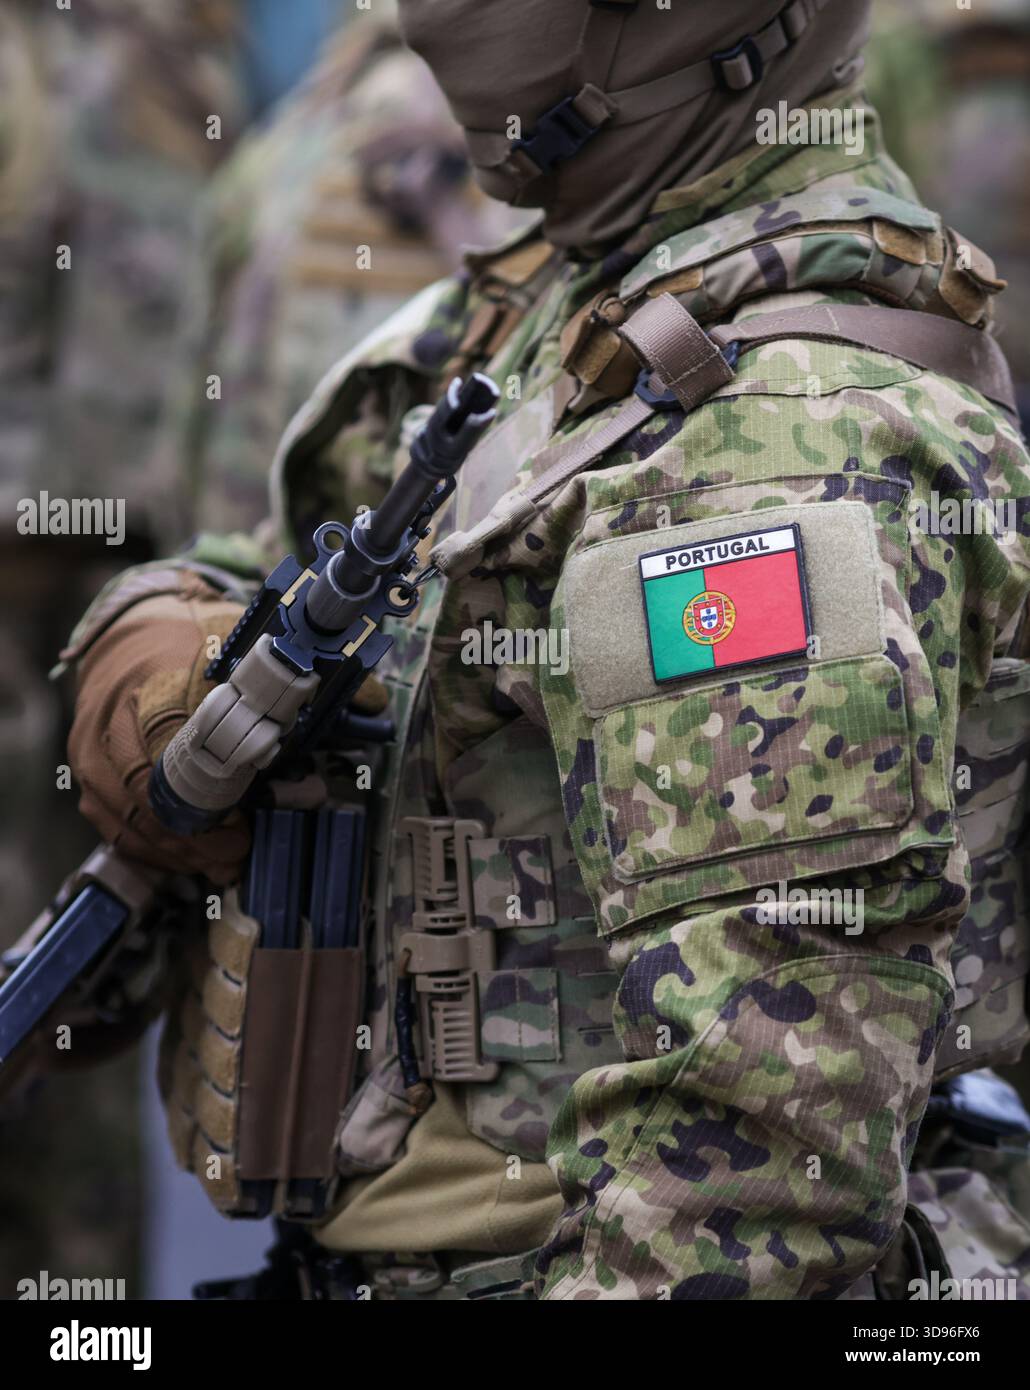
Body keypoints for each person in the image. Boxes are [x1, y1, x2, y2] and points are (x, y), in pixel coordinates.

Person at [59, 0, 1030, 1300]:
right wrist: (165, 624)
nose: (431, 24)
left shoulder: (764, 468)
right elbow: (322, 536)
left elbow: (749, 1186)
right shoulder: (588, 279)